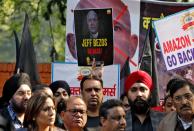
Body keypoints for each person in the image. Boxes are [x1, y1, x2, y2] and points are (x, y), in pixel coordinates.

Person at [66, 0, 138, 92]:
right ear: (72, 45)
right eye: (88, 24)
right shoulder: (69, 99)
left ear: (132, 46)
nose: (106, 37)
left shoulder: (136, 96)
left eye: (115, 28)